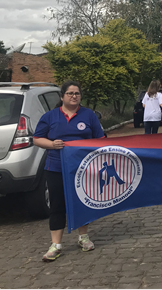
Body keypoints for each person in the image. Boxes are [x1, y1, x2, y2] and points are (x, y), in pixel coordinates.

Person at [32, 80, 106, 261]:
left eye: (77, 94)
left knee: (82, 201)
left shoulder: (88, 115)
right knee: (57, 205)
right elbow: (36, 139)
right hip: (56, 167)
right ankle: (55, 245)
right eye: (70, 93)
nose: (74, 96)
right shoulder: (50, 116)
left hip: (83, 168)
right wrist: (51, 144)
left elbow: (101, 138)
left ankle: (83, 237)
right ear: (62, 96)